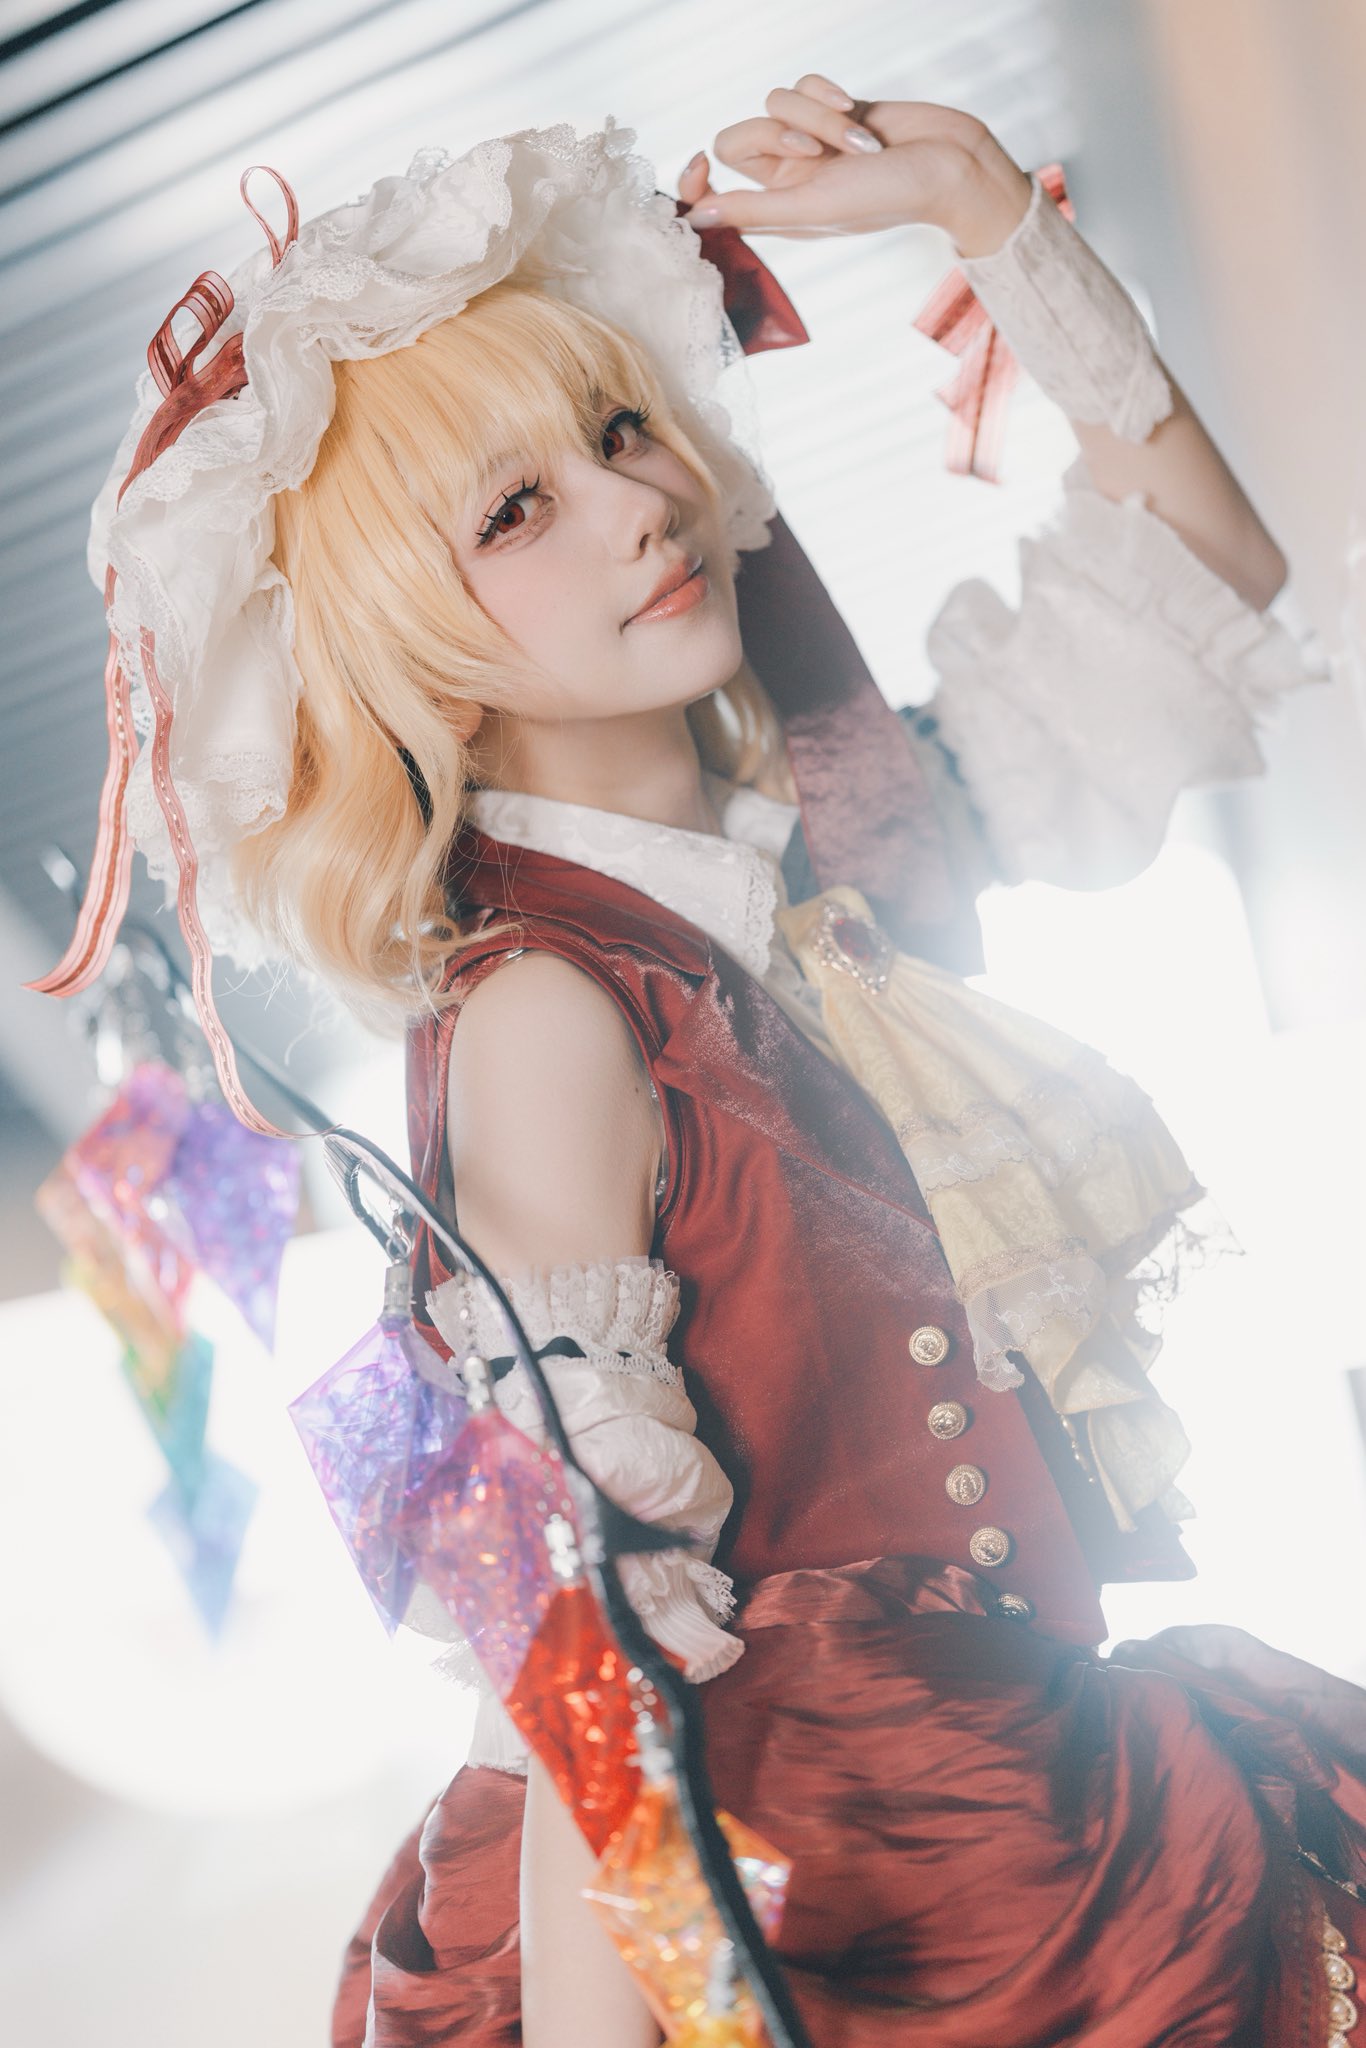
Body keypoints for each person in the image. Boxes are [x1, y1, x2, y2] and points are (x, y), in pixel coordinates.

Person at [42, 73, 1364, 2048]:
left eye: (618, 430)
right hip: (818, 1916)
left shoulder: (824, 872)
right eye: (514, 511)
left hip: (1024, 1815)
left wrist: (992, 219)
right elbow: (569, 1637)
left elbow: (1204, 580)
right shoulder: (538, 1010)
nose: (637, 503)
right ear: (410, 650)